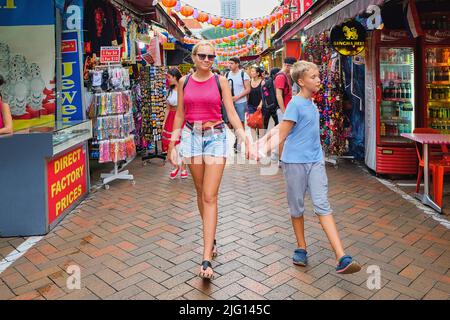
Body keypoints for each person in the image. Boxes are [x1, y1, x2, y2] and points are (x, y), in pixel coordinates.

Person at [255, 61, 362, 274]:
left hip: (315, 162)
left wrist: (263, 140)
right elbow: (283, 131)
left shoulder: (312, 103)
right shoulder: (295, 103)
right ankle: (301, 247)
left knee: (322, 205)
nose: (318, 80)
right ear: (301, 81)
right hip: (294, 162)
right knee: (297, 207)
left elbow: (281, 126)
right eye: (313, 77)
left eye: (318, 76)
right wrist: (262, 149)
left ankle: (341, 256)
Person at [167, 41, 251, 280]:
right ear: (193, 57)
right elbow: (180, 114)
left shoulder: (220, 81)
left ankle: (206, 257)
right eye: (202, 56)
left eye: (211, 57)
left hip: (216, 137)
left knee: (209, 195)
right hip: (191, 137)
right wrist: (173, 144)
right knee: (199, 189)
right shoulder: (184, 82)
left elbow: (231, 112)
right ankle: (210, 236)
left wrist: (243, 136)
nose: (207, 60)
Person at [162, 67, 188, 179]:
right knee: (171, 145)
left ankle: (183, 168)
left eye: (169, 77)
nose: (168, 79)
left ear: (175, 76)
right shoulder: (169, 91)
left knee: (183, 143)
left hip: (183, 117)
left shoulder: (185, 88)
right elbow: (168, 108)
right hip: (171, 119)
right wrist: (164, 121)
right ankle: (176, 165)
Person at [224, 57, 251, 153]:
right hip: (229, 102)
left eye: (231, 63)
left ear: (237, 64)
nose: (229, 65)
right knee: (229, 123)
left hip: (240, 102)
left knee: (240, 122)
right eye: (229, 63)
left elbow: (248, 89)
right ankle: (237, 136)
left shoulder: (244, 74)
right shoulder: (227, 74)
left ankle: (238, 142)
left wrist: (237, 97)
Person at [247, 66, 264, 140]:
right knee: (252, 123)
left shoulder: (262, 82)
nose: (251, 73)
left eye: (253, 71)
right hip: (251, 105)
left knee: (260, 124)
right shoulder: (249, 81)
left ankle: (261, 140)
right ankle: (254, 141)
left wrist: (260, 104)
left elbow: (264, 95)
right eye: (251, 71)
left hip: (260, 106)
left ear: (257, 73)